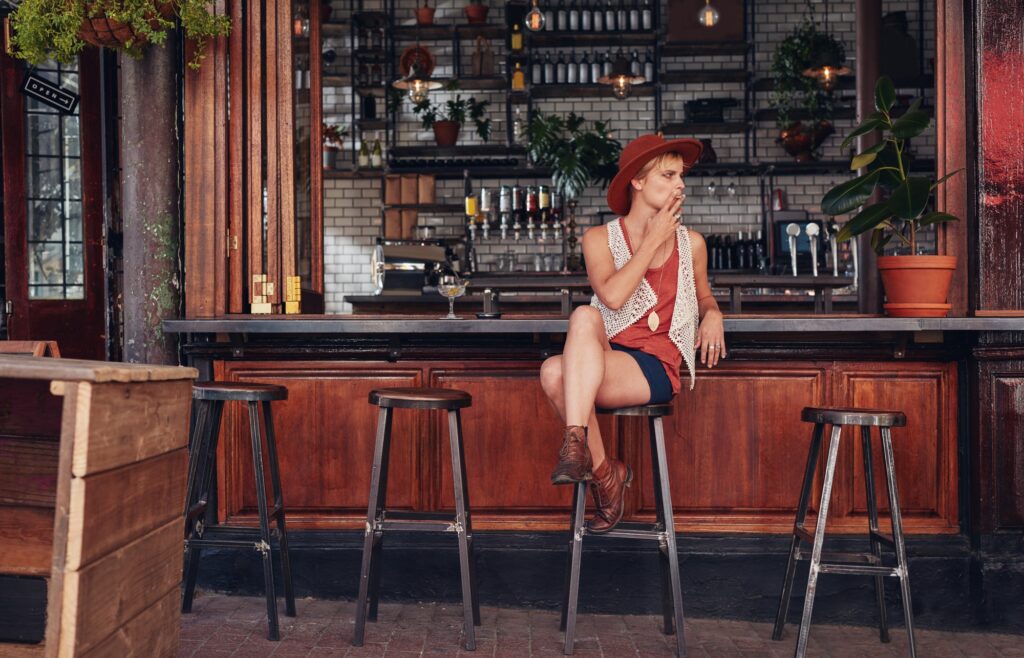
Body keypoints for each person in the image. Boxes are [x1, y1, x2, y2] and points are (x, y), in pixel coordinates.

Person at [540, 133, 726, 534]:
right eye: (669, 175)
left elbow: (705, 295)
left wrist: (712, 314)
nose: (681, 185)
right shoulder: (597, 240)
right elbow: (611, 296)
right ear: (637, 182)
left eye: (682, 176)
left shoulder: (692, 243)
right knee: (583, 321)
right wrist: (653, 239)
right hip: (607, 352)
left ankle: (596, 468)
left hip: (654, 365)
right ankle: (605, 471)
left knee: (557, 373)